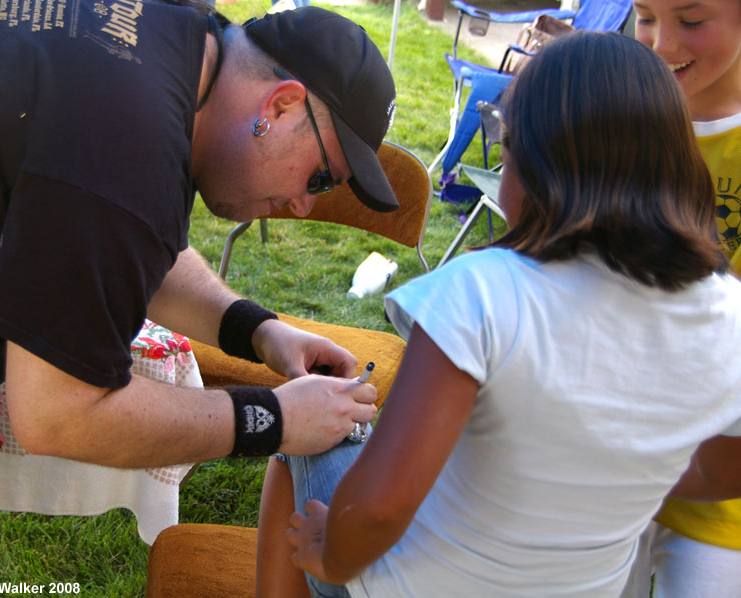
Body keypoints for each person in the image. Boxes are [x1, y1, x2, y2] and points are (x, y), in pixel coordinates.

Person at [0, 4, 395, 596]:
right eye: (319, 178)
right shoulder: (128, 136)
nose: (306, 205)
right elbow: (60, 410)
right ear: (280, 105)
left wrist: (258, 331)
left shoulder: (177, 52)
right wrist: (274, 420)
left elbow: (128, 235)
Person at [255, 32, 741, 598]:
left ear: (534, 166)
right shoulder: (728, 315)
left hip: (412, 588)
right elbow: (726, 471)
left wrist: (331, 556)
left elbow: (380, 508)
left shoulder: (479, 292)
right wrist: (615, 467)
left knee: (308, 424)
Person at [620, 0, 741, 595]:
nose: (662, 44)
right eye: (645, 16)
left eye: (691, 20)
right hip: (599, 468)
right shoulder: (619, 117)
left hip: (723, 502)